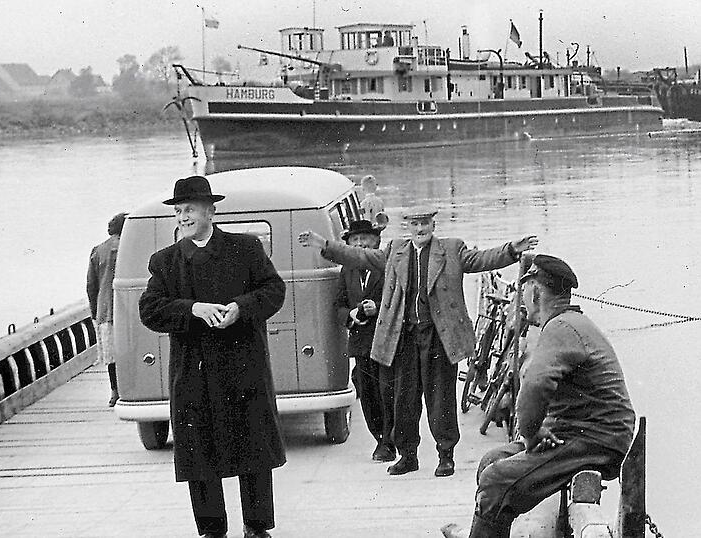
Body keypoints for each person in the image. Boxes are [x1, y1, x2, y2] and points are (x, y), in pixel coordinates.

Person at [299, 206, 537, 477]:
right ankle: (407, 456)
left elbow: (482, 259)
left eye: (425, 224)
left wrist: (512, 250)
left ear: (433, 226)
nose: (421, 229)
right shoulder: (394, 251)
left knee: (441, 400)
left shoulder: (451, 249)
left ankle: (445, 456)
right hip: (404, 338)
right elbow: (359, 256)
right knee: (404, 401)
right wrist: (324, 246)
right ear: (408, 227)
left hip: (439, 337)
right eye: (415, 224)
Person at [442, 255, 636, 538]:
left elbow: (535, 385)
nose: (522, 300)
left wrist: (531, 433)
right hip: (581, 435)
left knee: (496, 481)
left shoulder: (561, 327)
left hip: (597, 440)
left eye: (525, 291)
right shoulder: (569, 324)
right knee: (492, 460)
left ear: (535, 291)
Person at [139, 175, 286, 538]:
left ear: (211, 211)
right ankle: (211, 529)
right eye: (178, 212)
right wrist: (193, 310)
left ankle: (257, 526)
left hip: (244, 367)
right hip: (194, 373)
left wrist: (241, 307)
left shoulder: (247, 248)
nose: (183, 217)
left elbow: (274, 290)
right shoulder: (164, 262)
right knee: (199, 452)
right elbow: (150, 311)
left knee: (253, 448)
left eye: (189, 210)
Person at [333, 219, 395, 463]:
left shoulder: (388, 265)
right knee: (368, 394)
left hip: (387, 342)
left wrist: (377, 308)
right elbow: (338, 306)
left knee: (388, 392)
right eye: (354, 240)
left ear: (376, 240)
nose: (359, 244)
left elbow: (400, 300)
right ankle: (380, 440)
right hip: (360, 344)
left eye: (365, 239)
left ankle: (392, 442)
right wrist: (349, 315)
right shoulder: (346, 270)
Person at [87, 211, 128, 407]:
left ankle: (114, 391)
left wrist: (95, 312)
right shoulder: (131, 247)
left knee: (111, 355)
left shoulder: (97, 250)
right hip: (129, 308)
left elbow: (91, 286)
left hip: (106, 309)